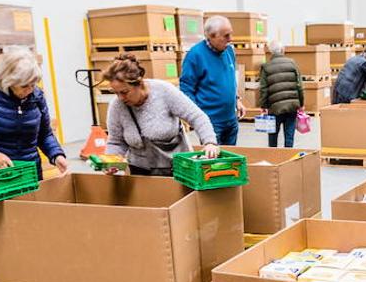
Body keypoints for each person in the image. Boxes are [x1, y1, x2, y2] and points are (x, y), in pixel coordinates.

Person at [0, 47, 68, 177]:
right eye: (24, 85)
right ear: (8, 80)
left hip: (29, 171)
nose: (30, 90)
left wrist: (56, 155)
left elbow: (45, 134)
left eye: (33, 84)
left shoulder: (36, 97)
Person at [102, 54, 219, 177]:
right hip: (140, 171)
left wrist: (210, 142)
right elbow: (116, 142)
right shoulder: (117, 106)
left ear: (139, 83)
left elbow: (197, 117)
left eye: (124, 92)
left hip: (178, 167)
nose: (120, 98)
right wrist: (111, 161)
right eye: (116, 93)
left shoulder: (163, 91)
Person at [181, 15, 246, 145]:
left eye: (231, 34)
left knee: (231, 161)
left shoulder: (228, 51)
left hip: (231, 119)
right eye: (226, 36)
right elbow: (186, 88)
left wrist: (237, 100)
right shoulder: (195, 55)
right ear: (211, 36)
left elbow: (230, 79)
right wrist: (198, 118)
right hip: (211, 123)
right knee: (215, 163)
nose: (230, 39)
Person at [257, 41, 303, 148]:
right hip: (292, 106)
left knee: (273, 136)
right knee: (289, 136)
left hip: (274, 108)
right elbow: (299, 85)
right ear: (283, 50)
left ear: (270, 52)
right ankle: (288, 159)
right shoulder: (292, 63)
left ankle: (274, 158)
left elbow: (263, 89)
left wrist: (263, 106)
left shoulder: (266, 67)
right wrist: (301, 103)